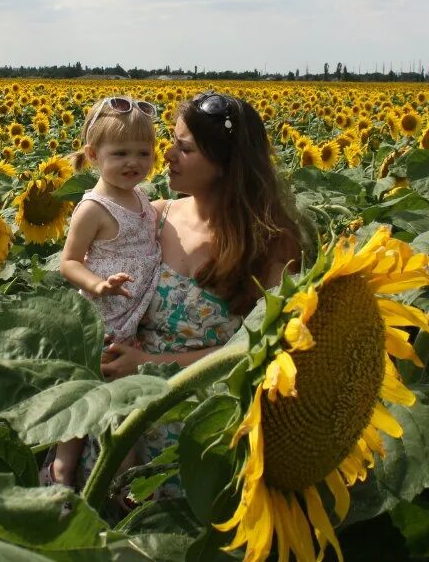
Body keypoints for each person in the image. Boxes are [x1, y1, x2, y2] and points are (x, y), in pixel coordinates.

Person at [99, 90, 306, 473]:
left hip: (202, 433)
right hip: (122, 418)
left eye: (186, 149)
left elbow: (265, 349)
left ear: (226, 163)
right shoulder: (153, 217)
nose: (169, 156)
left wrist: (149, 364)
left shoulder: (271, 243)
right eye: (172, 143)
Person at [45, 95, 163, 487]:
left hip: (130, 322)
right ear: (94, 155)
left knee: (118, 405)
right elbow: (69, 262)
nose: (134, 163)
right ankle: (60, 471)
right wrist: (99, 284)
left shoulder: (141, 197)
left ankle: (123, 483)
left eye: (143, 153)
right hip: (102, 319)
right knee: (85, 398)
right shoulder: (93, 208)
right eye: (121, 153)